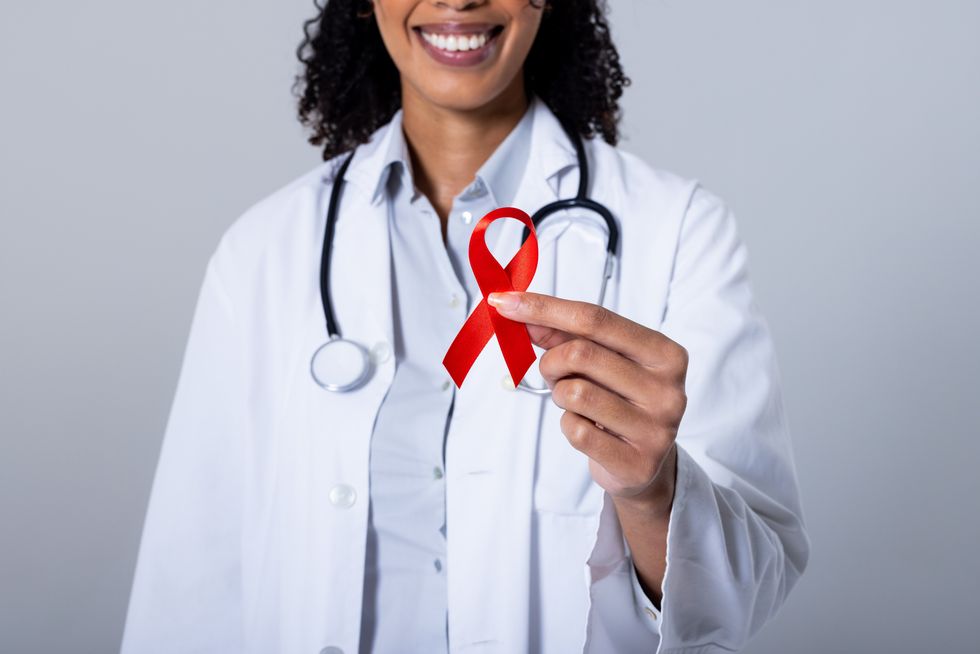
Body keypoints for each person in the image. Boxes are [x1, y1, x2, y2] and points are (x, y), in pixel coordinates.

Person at [121, 0, 810, 652]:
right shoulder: (263, 250)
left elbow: (744, 593)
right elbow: (189, 588)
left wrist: (653, 493)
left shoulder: (679, 231)